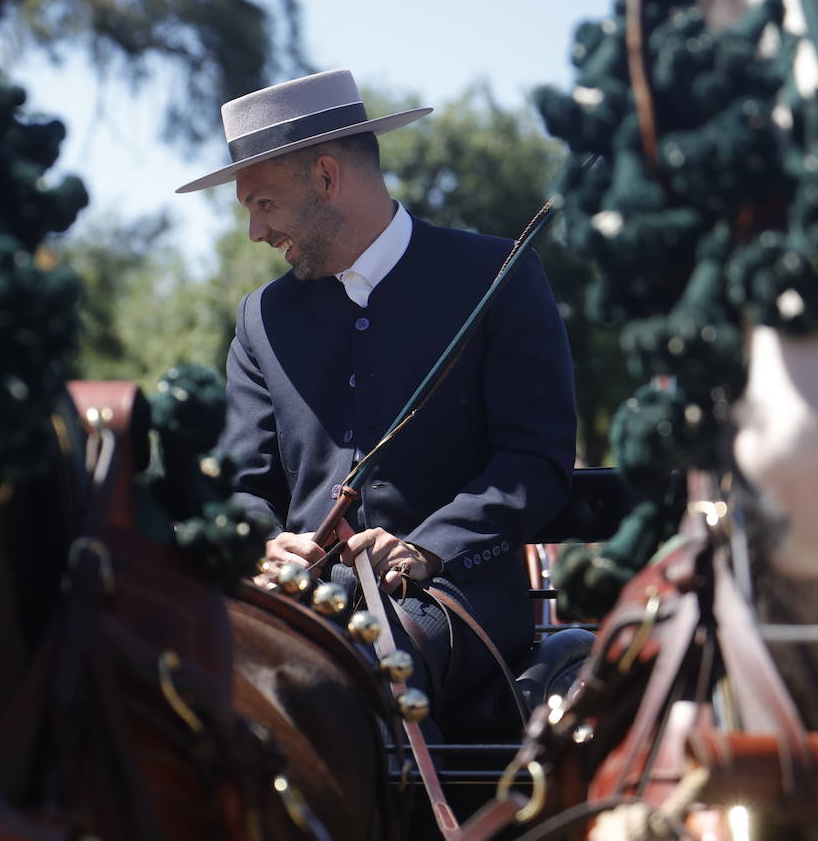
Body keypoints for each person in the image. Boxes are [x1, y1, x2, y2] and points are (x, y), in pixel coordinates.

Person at [175, 69, 577, 728]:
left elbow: (536, 461)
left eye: (263, 203)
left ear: (326, 177)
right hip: (296, 601)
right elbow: (241, 486)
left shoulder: (499, 277)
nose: (255, 230)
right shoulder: (259, 320)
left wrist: (431, 547)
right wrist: (264, 544)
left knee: (341, 679)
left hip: (457, 594)